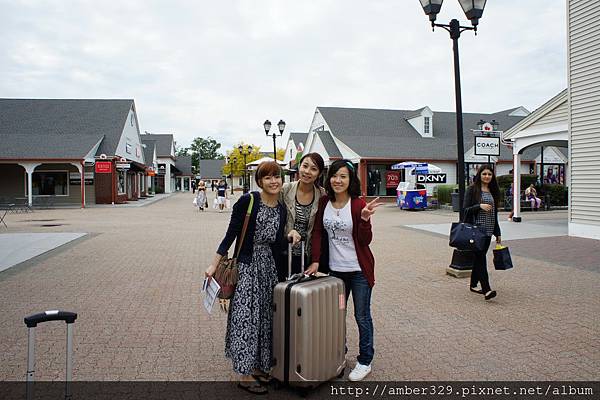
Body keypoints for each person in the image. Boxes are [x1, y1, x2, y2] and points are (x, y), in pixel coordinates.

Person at [205, 161, 287, 395]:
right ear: (259, 181)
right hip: (247, 267)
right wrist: (214, 265)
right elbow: (230, 234)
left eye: (277, 176)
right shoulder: (249, 201)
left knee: (265, 318)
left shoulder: (281, 208)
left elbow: (278, 242)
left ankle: (259, 366)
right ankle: (243, 373)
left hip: (268, 269)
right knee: (246, 318)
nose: (274, 181)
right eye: (268, 177)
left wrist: (290, 236)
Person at [307, 159, 382, 382]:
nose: (338, 180)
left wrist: (365, 220)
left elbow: (365, 240)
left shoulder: (358, 204)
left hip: (359, 271)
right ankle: (339, 354)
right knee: (337, 315)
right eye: (334, 176)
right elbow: (319, 233)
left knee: (361, 316)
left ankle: (365, 360)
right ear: (329, 178)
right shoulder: (324, 202)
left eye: (343, 176)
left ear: (350, 180)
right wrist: (316, 262)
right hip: (336, 273)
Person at [280, 153, 326, 281]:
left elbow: (319, 231)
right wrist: (288, 232)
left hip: (307, 258)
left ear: (319, 173)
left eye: (313, 168)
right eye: (305, 166)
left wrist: (316, 259)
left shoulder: (322, 195)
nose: (307, 171)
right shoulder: (285, 190)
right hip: (284, 253)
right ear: (299, 167)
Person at [463, 164, 502, 301]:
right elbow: (465, 210)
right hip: (476, 230)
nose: (487, 176)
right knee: (480, 258)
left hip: (489, 230)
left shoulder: (493, 190)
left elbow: (494, 213)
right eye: (484, 174)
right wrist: (479, 206)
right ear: (479, 175)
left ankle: (473, 284)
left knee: (479, 257)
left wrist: (497, 232)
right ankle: (486, 289)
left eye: (489, 174)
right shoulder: (472, 190)